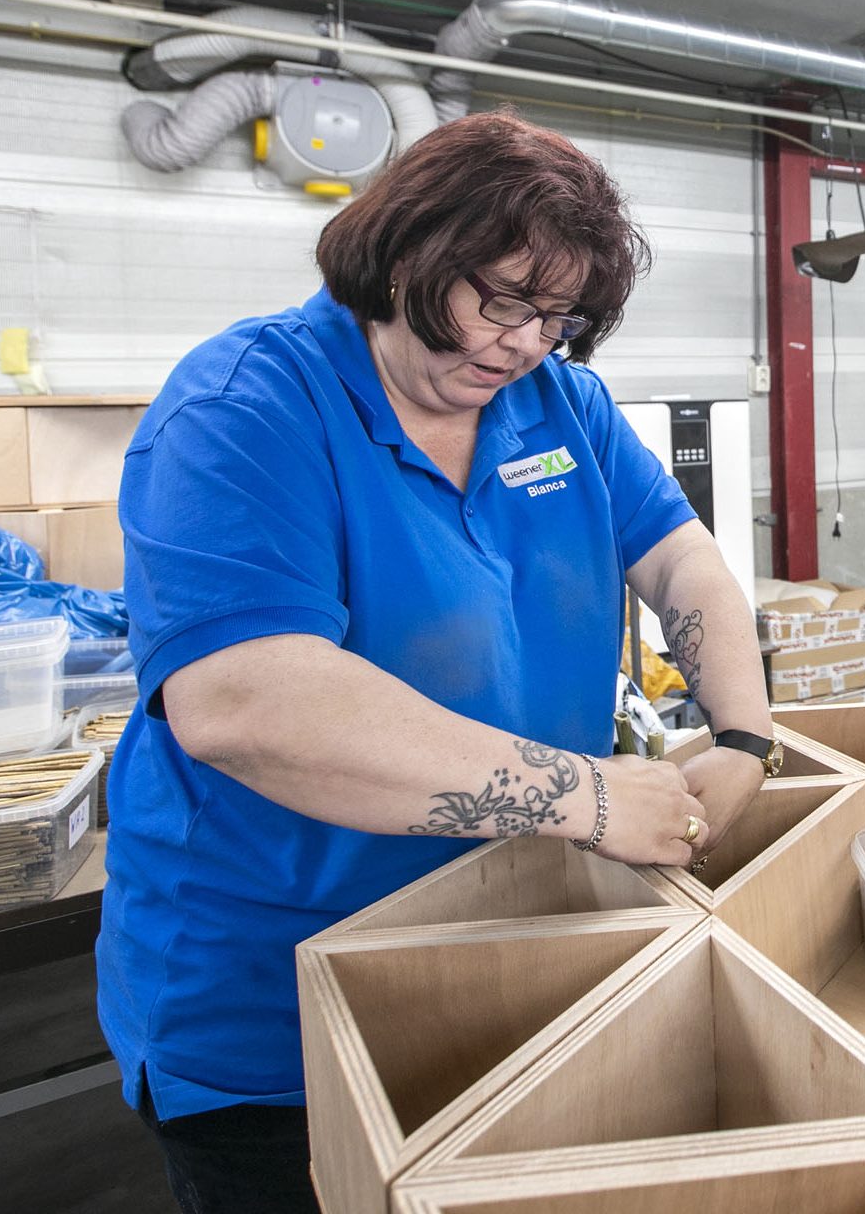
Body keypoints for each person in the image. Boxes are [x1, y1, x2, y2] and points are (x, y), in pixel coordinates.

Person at [96, 109, 776, 1214]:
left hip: (508, 949)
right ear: (407, 249)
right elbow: (248, 701)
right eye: (500, 298)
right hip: (285, 1005)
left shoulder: (558, 403)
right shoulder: (245, 407)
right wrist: (592, 796)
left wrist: (744, 733)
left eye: (554, 317)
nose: (521, 343)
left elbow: (687, 567)